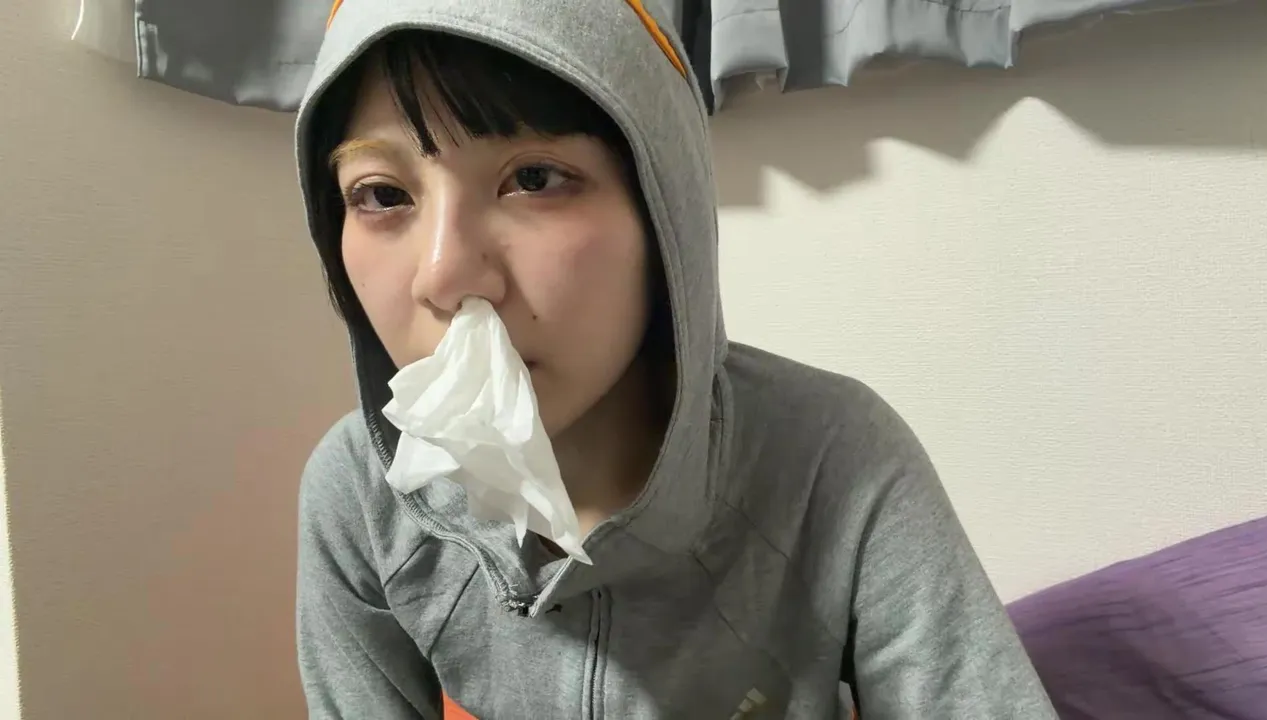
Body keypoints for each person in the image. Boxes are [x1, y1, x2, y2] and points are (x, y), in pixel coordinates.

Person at [293, 1, 1057, 718]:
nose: (445, 275)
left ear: (665, 212)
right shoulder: (362, 493)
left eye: (533, 179)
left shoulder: (832, 458)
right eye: (382, 195)